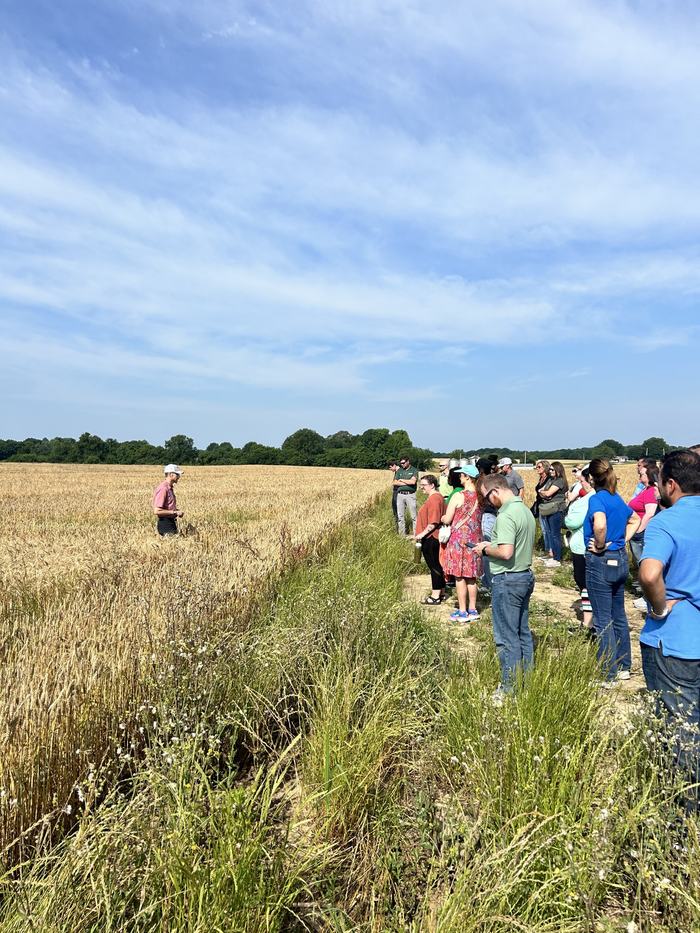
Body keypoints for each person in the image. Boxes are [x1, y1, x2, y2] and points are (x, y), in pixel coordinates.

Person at [638, 449, 700, 809]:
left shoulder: (667, 521)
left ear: (671, 484)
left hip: (675, 642)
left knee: (679, 733)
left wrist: (659, 607)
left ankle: (683, 816)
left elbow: (649, 573)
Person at [473, 474, 536, 699]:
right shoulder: (525, 510)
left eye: (487, 497)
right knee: (522, 633)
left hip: (507, 580)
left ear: (496, 491)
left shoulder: (506, 515)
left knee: (506, 637)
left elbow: (506, 552)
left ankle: (509, 689)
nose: (489, 502)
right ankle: (526, 683)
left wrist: (485, 549)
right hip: (524, 575)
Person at [584, 458, 640, 686]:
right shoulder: (617, 498)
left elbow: (599, 524)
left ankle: (608, 673)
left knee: (602, 618)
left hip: (600, 561)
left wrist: (600, 544)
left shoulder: (597, 499)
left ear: (591, 478)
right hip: (619, 559)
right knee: (619, 614)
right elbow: (634, 519)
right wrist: (619, 541)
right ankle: (624, 666)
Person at [440, 465, 482, 623]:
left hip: (459, 541)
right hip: (475, 540)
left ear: (467, 477)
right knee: (472, 576)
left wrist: (443, 518)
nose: (459, 477)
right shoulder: (480, 496)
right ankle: (473, 609)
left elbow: (448, 519)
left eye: (461, 475)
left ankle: (462, 611)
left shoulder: (458, 496)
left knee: (459, 577)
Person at [564, 466, 595, 635]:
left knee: (585, 584)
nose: (580, 484)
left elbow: (572, 522)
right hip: (584, 547)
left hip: (582, 549)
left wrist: (568, 516)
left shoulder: (589, 499)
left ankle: (588, 623)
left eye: (582, 481)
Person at [413, 474, 447, 604]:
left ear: (432, 485)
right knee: (438, 565)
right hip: (434, 537)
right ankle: (442, 592)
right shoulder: (437, 497)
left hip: (431, 537)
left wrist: (422, 534)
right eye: (420, 485)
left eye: (424, 485)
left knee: (434, 566)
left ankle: (435, 596)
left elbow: (433, 521)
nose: (421, 488)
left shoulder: (434, 499)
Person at [628, 461, 659, 566]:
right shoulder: (644, 490)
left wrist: (638, 530)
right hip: (637, 531)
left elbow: (650, 513)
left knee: (643, 563)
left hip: (641, 533)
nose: (639, 476)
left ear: (649, 476)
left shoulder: (651, 492)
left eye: (641, 474)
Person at [537, 461, 568, 568]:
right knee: (550, 533)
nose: (550, 471)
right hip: (550, 509)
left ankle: (557, 558)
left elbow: (547, 493)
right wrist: (544, 493)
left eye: (552, 469)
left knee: (555, 534)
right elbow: (541, 491)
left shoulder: (559, 481)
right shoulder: (551, 480)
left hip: (557, 510)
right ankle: (553, 555)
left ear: (558, 470)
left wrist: (544, 493)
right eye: (549, 469)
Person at [476, 457, 497, 592]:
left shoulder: (482, 481)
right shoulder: (495, 479)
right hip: (493, 514)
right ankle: (488, 580)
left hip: (486, 514)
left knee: (486, 548)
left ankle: (488, 582)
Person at [152, 464, 184, 536]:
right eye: (177, 474)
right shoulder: (164, 488)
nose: (179, 477)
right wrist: (175, 512)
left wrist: (176, 511)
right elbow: (157, 511)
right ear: (171, 475)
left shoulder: (169, 488)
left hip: (170, 523)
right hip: (165, 524)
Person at [393, 455, 418, 536]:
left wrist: (402, 480)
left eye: (403, 463)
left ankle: (416, 535)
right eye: (401, 463)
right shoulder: (399, 470)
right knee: (400, 516)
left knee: (414, 516)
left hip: (410, 495)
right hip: (400, 495)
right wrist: (407, 482)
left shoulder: (414, 470)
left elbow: (413, 482)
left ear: (408, 462)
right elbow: (394, 482)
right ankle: (402, 536)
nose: (402, 465)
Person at [533, 459, 552, 556]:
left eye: (539, 467)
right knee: (544, 529)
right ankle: (547, 549)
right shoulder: (541, 479)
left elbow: (547, 493)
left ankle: (550, 550)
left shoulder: (549, 479)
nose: (537, 468)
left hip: (547, 506)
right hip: (540, 505)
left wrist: (542, 493)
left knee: (548, 529)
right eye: (536, 467)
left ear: (545, 467)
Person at [388, 460, 399, 525]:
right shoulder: (396, 472)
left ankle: (398, 526)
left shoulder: (400, 472)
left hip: (398, 492)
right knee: (395, 509)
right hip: (395, 492)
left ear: (394, 465)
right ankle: (396, 524)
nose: (390, 469)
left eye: (390, 467)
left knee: (397, 510)